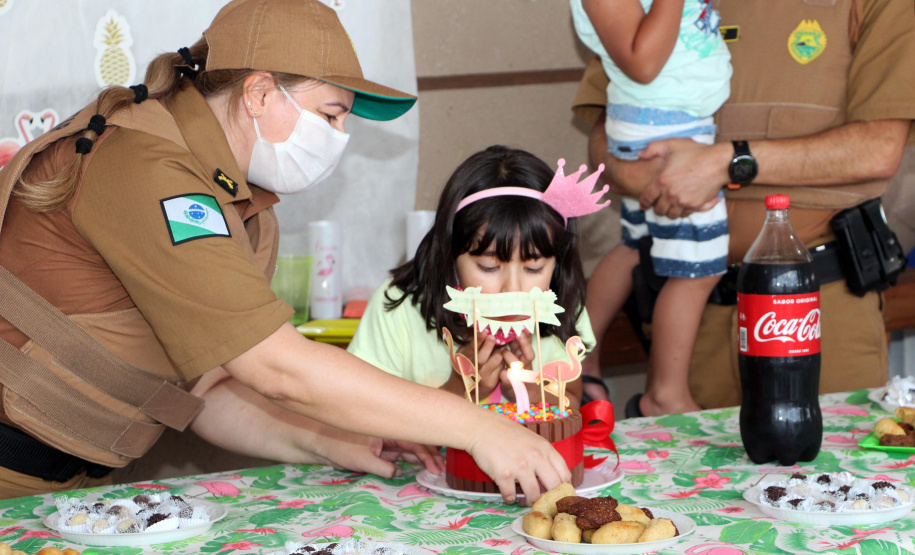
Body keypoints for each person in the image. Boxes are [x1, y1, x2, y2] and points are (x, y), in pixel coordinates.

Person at [0, 0, 572, 502]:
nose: (341, 136)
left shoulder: (237, 202)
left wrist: (335, 438)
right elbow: (275, 367)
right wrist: (477, 427)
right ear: (259, 91)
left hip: (67, 482)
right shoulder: (152, 170)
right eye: (332, 113)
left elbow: (210, 387)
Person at [572, 0, 915, 410]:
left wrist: (728, 161)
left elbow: (877, 150)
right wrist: (640, 173)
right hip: (689, 321)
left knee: (829, 470)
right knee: (689, 471)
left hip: (819, 309)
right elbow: (606, 129)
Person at [570, 0, 731, 416]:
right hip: (667, 126)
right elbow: (643, 63)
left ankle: (575, 354)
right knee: (699, 268)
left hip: (661, 120)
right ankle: (665, 393)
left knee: (635, 246)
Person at [348, 146, 598, 410]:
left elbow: (571, 400)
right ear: (450, 255)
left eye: (533, 268)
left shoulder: (561, 308)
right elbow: (365, 415)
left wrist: (531, 391)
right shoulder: (397, 308)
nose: (512, 289)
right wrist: (460, 387)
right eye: (489, 267)